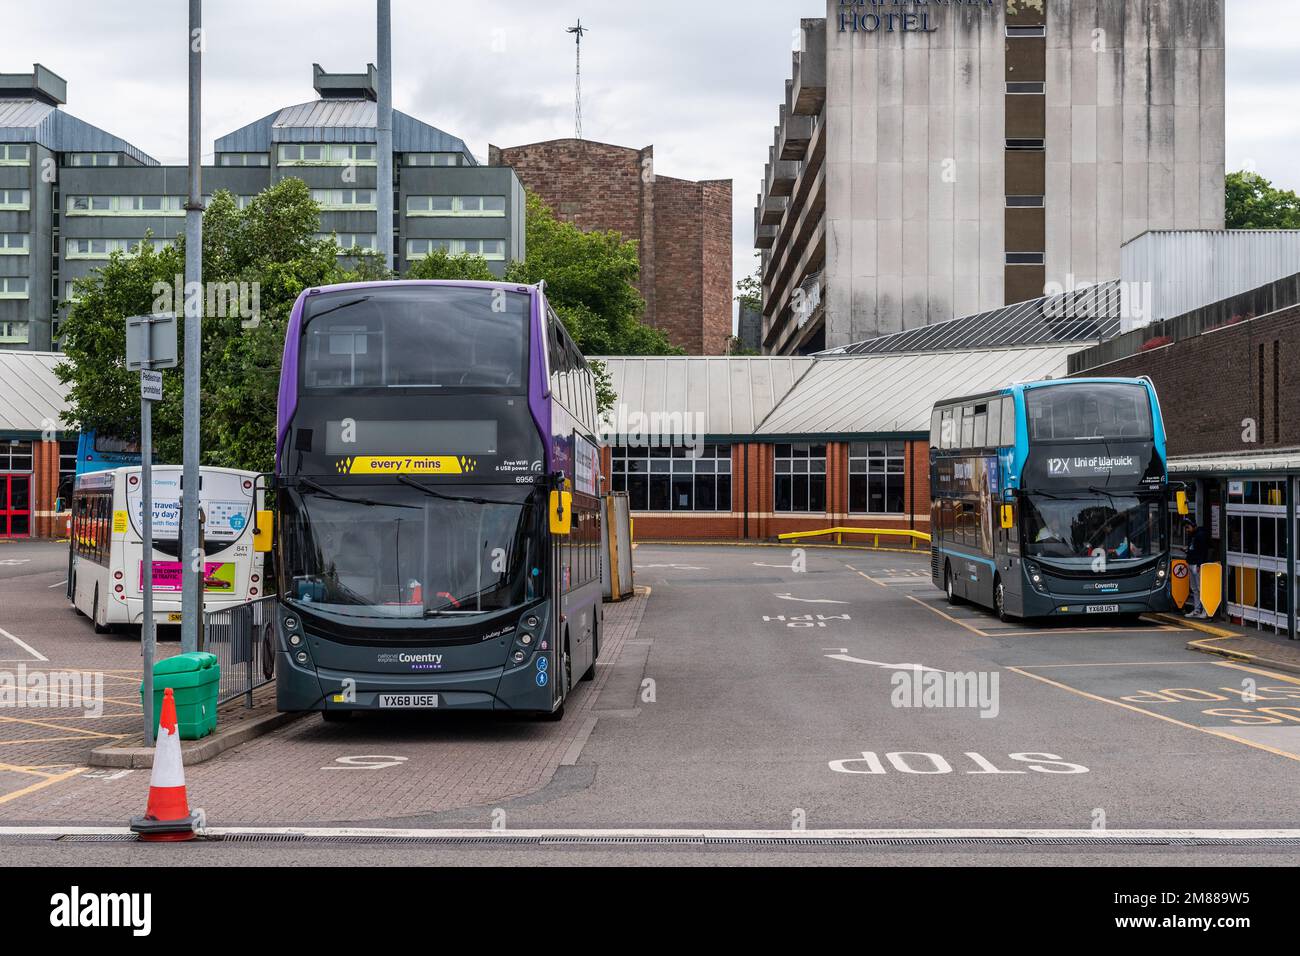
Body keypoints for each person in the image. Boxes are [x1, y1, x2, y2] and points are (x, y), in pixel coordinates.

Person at [1184, 517, 1211, 619]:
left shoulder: (1200, 535)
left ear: (1194, 526)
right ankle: (1197, 609)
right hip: (1191, 562)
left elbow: (1203, 552)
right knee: (1195, 588)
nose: (1187, 530)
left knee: (1200, 588)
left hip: (1196, 564)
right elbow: (1195, 548)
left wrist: (1200, 564)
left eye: (1188, 527)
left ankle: (1205, 610)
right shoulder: (1192, 535)